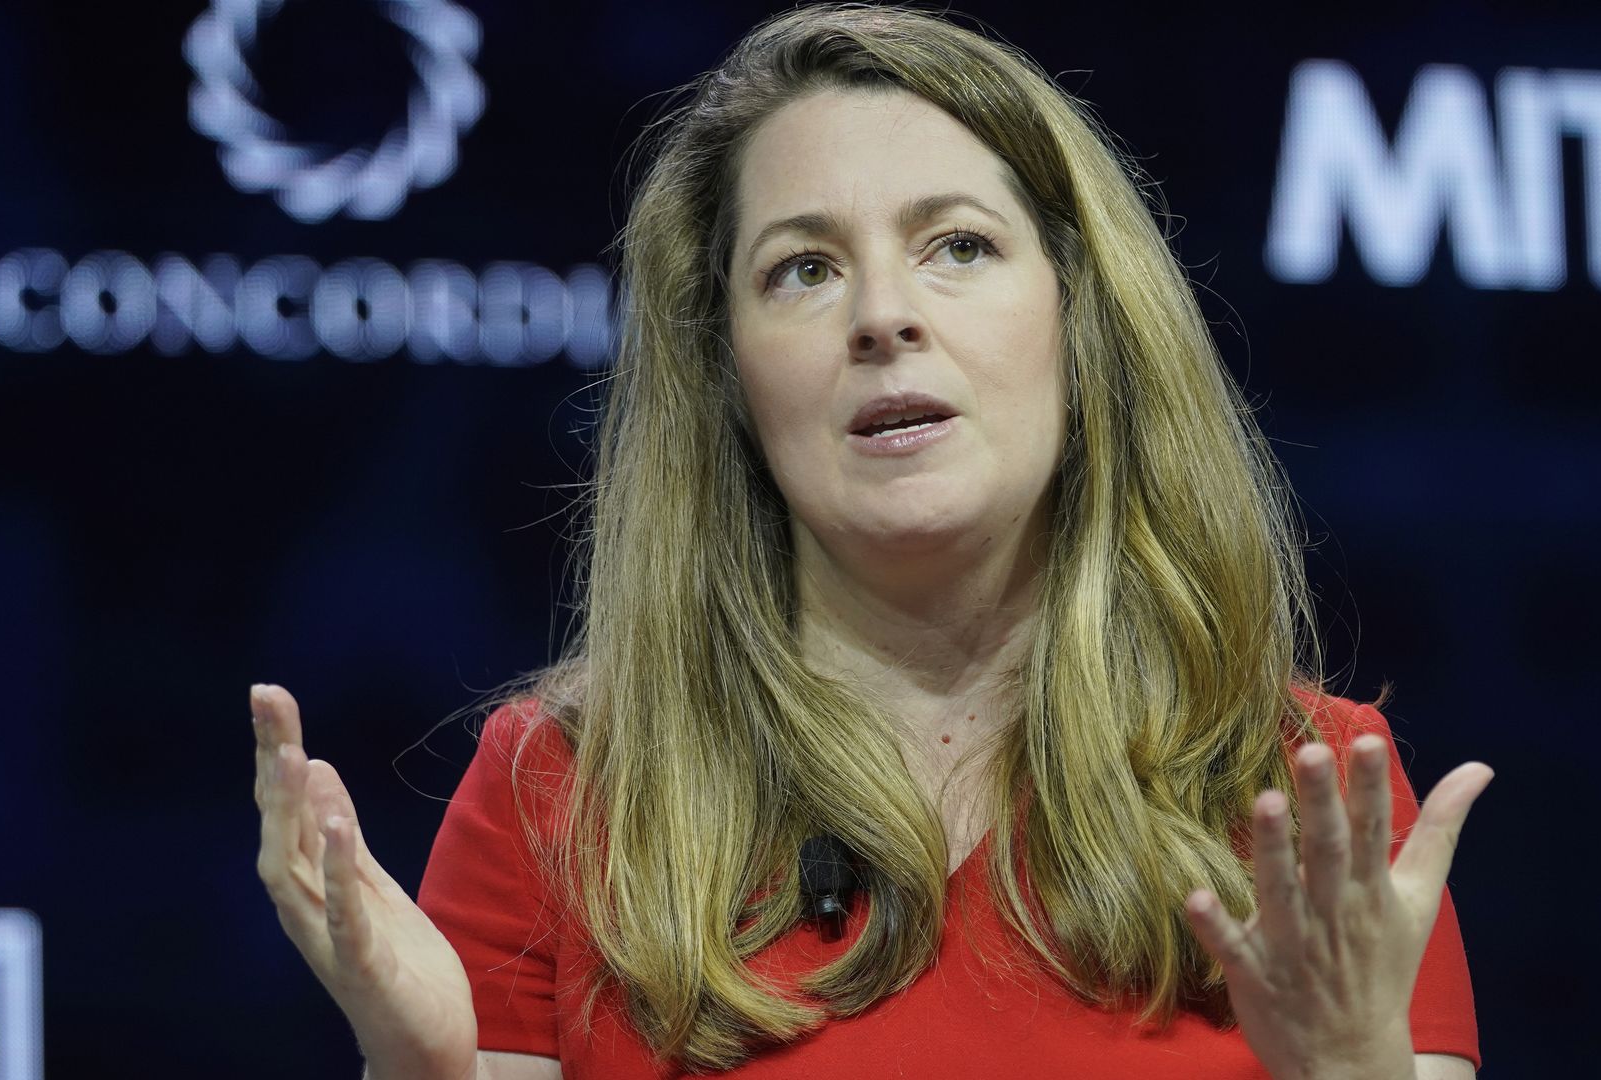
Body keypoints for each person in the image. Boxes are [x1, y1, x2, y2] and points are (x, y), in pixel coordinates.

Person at [249, 5, 1494, 1078]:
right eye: (802, 270)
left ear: (1083, 324)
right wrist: (416, 1066)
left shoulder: (1303, 796)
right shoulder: (563, 793)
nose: (883, 316)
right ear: (728, 375)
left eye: (959, 246)